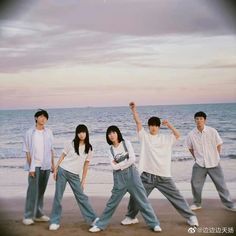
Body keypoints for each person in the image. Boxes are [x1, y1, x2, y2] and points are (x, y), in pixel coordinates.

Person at [121, 102, 198, 227]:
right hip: (147, 175)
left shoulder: (166, 138)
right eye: (151, 125)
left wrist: (169, 125)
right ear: (149, 126)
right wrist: (134, 110)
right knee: (135, 196)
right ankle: (131, 217)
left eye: (156, 125)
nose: (153, 127)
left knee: (177, 198)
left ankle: (191, 217)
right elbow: (138, 123)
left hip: (163, 176)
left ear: (158, 127)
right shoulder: (144, 137)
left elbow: (178, 135)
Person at [89, 125, 162, 233]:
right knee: (111, 203)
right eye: (109, 134)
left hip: (133, 176)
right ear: (107, 137)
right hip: (119, 180)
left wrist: (120, 164)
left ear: (118, 133)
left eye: (113, 132)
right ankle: (100, 225)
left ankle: (154, 224)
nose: (112, 135)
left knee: (142, 200)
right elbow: (113, 167)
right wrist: (124, 163)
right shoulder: (110, 150)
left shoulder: (126, 143)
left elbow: (132, 159)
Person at [49, 124, 98, 230]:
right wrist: (56, 169)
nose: (81, 134)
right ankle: (54, 221)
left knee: (82, 197)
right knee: (58, 196)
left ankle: (93, 219)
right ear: (77, 133)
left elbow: (86, 165)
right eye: (79, 132)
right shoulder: (71, 143)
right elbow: (62, 156)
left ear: (86, 133)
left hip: (75, 175)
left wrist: (83, 180)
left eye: (83, 132)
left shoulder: (89, 148)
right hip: (62, 171)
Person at [186, 111, 236, 212]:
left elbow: (219, 144)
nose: (199, 121)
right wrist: (196, 158)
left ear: (205, 120)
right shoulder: (191, 134)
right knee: (195, 184)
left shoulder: (212, 131)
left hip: (214, 163)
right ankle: (197, 203)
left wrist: (216, 157)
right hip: (200, 164)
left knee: (221, 185)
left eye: (201, 119)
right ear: (194, 120)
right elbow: (190, 148)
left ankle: (229, 205)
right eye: (197, 119)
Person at [22, 109, 55, 225]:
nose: (43, 119)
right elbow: (27, 151)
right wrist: (31, 167)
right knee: (32, 191)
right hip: (34, 165)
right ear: (36, 118)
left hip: (46, 166)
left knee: (41, 191)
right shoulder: (30, 133)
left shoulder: (49, 132)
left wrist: (53, 165)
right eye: (40, 116)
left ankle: (38, 214)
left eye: (45, 117)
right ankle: (28, 215)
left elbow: (51, 150)